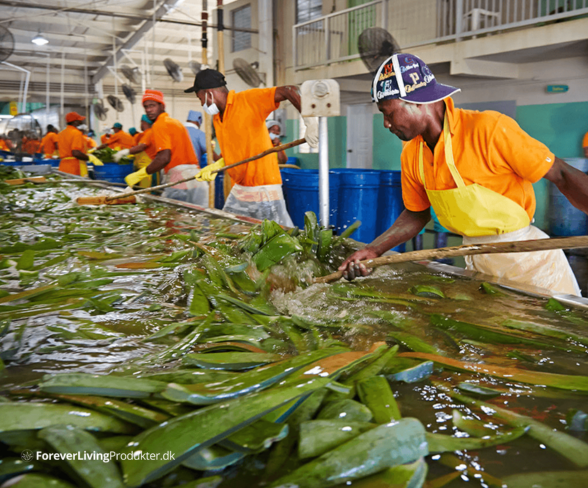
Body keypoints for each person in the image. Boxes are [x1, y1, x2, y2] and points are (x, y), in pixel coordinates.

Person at [339, 53, 588, 296]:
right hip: (479, 259)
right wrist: (374, 250)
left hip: (529, 263)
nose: (386, 123)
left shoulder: (488, 129)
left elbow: (562, 175)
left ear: (417, 101)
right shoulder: (411, 153)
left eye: (389, 112)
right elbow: (416, 214)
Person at [185, 69, 318, 226]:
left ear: (209, 93)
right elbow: (233, 151)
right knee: (227, 234)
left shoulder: (246, 100)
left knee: (279, 241)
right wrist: (217, 165)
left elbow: (290, 90)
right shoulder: (217, 119)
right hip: (241, 190)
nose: (202, 104)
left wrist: (310, 121)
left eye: (200, 98)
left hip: (263, 190)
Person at [124, 90, 208, 206]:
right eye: (146, 107)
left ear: (162, 106)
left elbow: (164, 157)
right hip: (196, 181)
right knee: (199, 221)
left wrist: (141, 174)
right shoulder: (175, 122)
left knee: (174, 221)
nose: (148, 110)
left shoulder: (160, 124)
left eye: (152, 105)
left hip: (178, 181)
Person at [115, 114, 158, 188]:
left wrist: (125, 152)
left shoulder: (149, 133)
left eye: (141, 122)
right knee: (143, 191)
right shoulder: (144, 134)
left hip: (148, 169)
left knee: (146, 193)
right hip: (144, 169)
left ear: (144, 122)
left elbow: (141, 147)